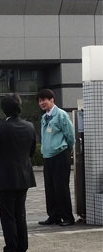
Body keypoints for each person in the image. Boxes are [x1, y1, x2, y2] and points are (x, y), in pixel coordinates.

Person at [0, 94, 37, 252]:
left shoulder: (0, 127)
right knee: (20, 214)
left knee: (8, 216)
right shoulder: (29, 126)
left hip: (6, 178)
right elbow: (32, 151)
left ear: (4, 109)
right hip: (24, 176)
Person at [36, 88, 76, 227]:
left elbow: (70, 135)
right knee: (50, 187)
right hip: (48, 156)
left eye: (44, 100)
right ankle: (54, 216)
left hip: (60, 155)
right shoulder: (44, 117)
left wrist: (68, 150)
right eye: (40, 101)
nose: (42, 103)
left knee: (61, 187)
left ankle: (67, 217)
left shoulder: (61, 115)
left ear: (52, 99)